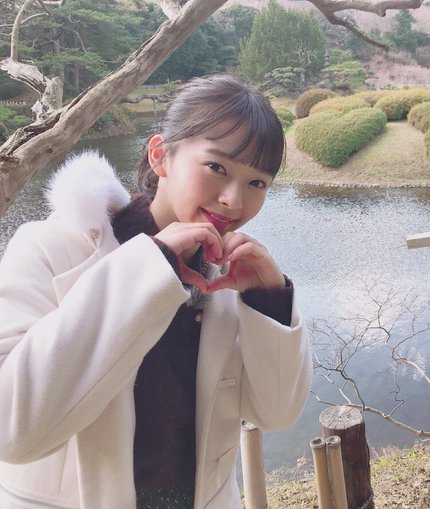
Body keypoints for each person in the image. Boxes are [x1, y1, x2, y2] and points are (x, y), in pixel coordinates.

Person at [0, 74, 311, 509]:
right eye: (216, 167)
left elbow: (275, 414)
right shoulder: (51, 248)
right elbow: (11, 432)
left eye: (256, 183)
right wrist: (150, 269)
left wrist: (269, 302)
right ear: (161, 155)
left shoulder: (229, 277)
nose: (234, 200)